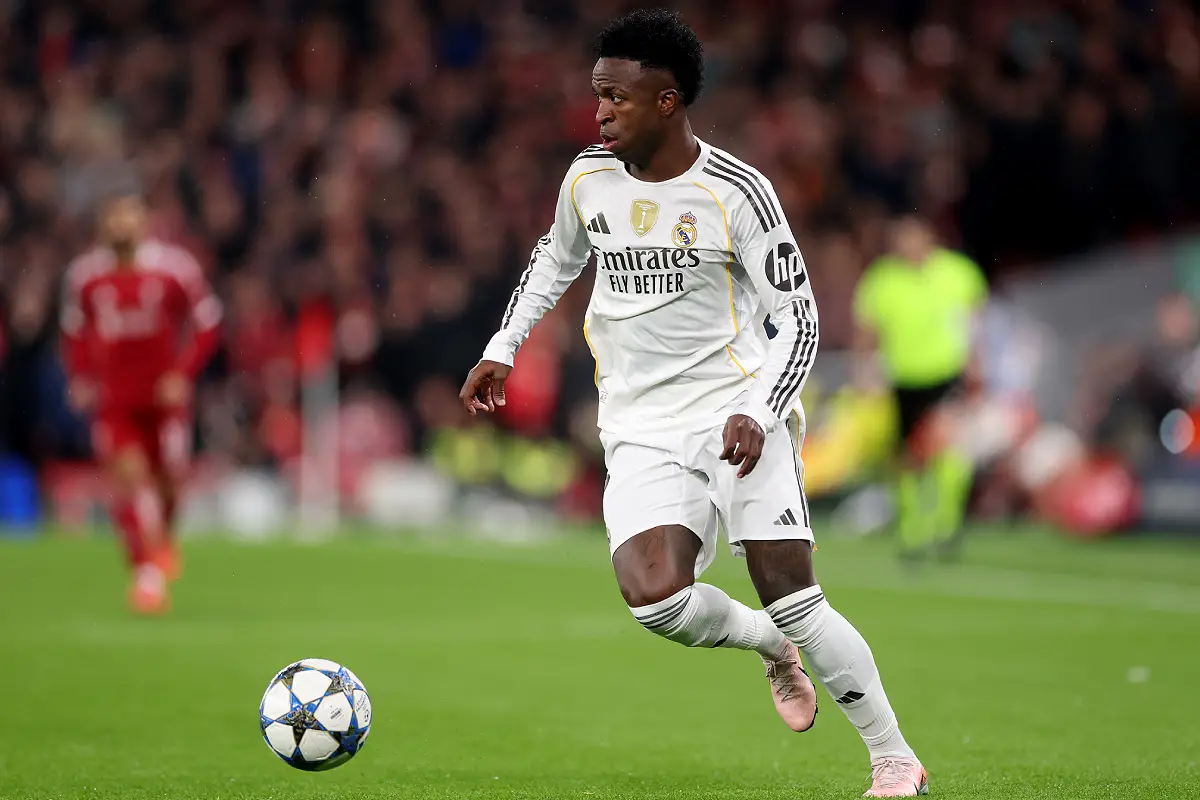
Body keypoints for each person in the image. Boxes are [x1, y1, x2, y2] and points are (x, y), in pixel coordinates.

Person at [460, 10, 926, 797]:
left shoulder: (737, 192)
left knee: (795, 592)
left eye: (616, 97)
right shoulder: (587, 178)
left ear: (668, 102)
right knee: (654, 600)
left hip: (737, 410)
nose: (600, 110)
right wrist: (502, 345)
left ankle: (892, 756)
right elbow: (553, 259)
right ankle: (770, 649)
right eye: (597, 94)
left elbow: (800, 316)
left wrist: (762, 409)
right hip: (638, 421)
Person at [60, 192, 222, 614]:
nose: (121, 226)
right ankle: (146, 576)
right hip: (115, 399)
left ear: (144, 222)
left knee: (169, 481)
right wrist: (80, 377)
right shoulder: (85, 277)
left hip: (163, 399)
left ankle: (161, 541)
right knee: (131, 479)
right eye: (114, 218)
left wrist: (181, 374)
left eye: (128, 217)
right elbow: (74, 332)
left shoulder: (174, 270)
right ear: (103, 225)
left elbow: (208, 324)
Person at [853, 215, 987, 558]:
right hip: (903, 377)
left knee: (947, 448)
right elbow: (868, 331)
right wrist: (865, 372)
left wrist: (975, 363)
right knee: (908, 456)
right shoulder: (883, 279)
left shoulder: (958, 273)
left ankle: (944, 521)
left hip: (945, 373)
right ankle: (913, 528)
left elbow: (975, 322)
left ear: (930, 239)